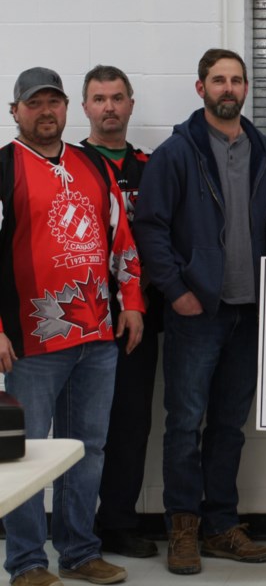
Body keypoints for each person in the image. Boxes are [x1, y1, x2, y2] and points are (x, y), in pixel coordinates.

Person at [134, 49, 266, 575]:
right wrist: (176, 290)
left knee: (229, 425)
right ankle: (183, 526)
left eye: (236, 80)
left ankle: (222, 524)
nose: (229, 88)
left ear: (246, 89)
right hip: (196, 312)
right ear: (200, 88)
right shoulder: (176, 153)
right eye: (218, 80)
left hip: (250, 313)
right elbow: (150, 227)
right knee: (184, 424)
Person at [1, 67, 145, 586]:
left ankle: (80, 552)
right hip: (32, 340)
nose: (45, 112)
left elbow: (120, 236)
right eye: (34, 104)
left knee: (88, 448)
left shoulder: (90, 163)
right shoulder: (4, 167)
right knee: (26, 451)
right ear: (15, 111)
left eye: (54, 103)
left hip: (98, 335)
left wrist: (131, 302)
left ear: (67, 109)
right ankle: (26, 562)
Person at [78, 64, 161, 560]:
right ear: (85, 107)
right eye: (98, 98)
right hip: (80, 316)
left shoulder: (152, 166)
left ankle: (118, 523)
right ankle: (75, 527)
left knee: (131, 422)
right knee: (83, 429)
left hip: (138, 314)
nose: (108, 106)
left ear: (131, 103)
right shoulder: (68, 164)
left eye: (117, 97)